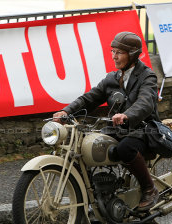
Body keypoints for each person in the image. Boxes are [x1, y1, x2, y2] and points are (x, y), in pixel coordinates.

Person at [53, 32, 160, 211]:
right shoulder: (112, 78)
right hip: (117, 129)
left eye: (119, 52)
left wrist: (127, 115)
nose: (114, 56)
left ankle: (149, 189)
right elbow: (89, 98)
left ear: (132, 54)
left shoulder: (147, 76)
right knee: (85, 147)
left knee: (125, 148)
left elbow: (145, 102)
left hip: (143, 129)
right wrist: (67, 111)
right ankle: (95, 195)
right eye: (113, 51)